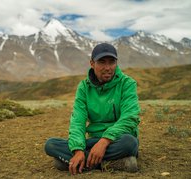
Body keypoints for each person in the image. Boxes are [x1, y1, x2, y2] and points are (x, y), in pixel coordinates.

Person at [44, 43, 141, 175]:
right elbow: (78, 121)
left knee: (130, 143)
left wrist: (105, 141)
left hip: (117, 140)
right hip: (93, 140)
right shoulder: (84, 87)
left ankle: (74, 162)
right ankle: (109, 163)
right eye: (102, 62)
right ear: (92, 63)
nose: (107, 68)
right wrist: (78, 150)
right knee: (50, 144)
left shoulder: (127, 84)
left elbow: (130, 118)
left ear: (116, 63)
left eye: (111, 62)